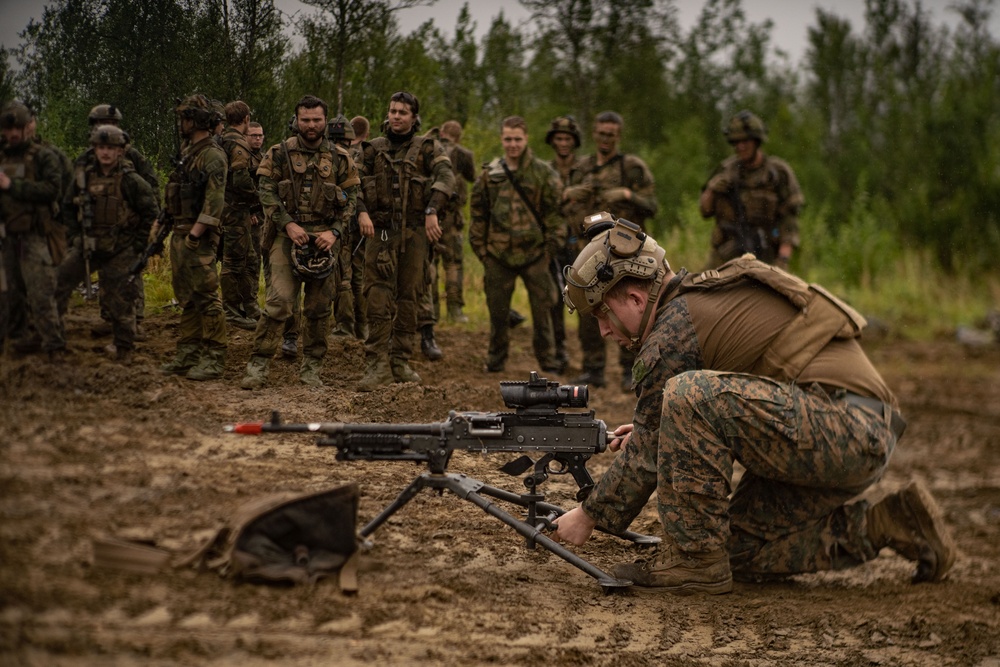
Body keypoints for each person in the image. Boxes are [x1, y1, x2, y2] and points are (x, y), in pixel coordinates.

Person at [552, 212, 955, 594]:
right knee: (736, 549)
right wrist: (660, 429)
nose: (604, 330)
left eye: (603, 313)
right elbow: (682, 422)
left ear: (637, 299)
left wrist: (588, 516)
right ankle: (891, 524)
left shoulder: (672, 332)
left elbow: (651, 448)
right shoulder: (690, 307)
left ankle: (694, 561)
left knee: (688, 396)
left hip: (848, 429)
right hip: (851, 433)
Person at [240, 95, 359, 389]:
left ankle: (312, 369)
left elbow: (352, 200)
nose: (311, 125)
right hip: (286, 235)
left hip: (324, 240)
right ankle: (258, 365)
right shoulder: (278, 153)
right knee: (279, 302)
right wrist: (288, 224)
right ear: (297, 121)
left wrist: (335, 232)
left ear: (325, 122)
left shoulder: (341, 158)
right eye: (305, 120)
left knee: (319, 309)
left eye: (317, 120)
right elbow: (265, 193)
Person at [355, 91, 454, 391]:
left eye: (403, 112)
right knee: (378, 297)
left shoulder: (427, 148)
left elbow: (446, 178)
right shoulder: (372, 149)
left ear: (414, 117)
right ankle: (376, 364)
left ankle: (400, 361)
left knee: (409, 298)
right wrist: (361, 213)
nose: (396, 116)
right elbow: (353, 182)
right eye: (393, 110)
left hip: (413, 233)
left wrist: (432, 210)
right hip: (382, 231)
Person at [564, 111, 658, 391]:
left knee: (627, 310)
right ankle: (593, 369)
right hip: (587, 250)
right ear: (594, 133)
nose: (605, 139)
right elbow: (563, 205)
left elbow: (652, 205)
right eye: (601, 133)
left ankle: (632, 371)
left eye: (611, 134)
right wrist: (571, 195)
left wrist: (628, 195)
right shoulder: (582, 167)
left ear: (618, 135)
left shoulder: (632, 167)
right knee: (589, 308)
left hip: (625, 255)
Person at [469, 116, 566, 374]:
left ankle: (548, 361)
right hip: (498, 255)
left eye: (518, 139)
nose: (513, 144)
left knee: (543, 311)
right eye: (508, 139)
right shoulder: (489, 175)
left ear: (526, 139)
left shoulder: (543, 173)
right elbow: (478, 215)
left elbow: (555, 214)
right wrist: (482, 252)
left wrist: (549, 250)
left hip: (535, 254)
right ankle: (496, 361)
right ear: (502, 139)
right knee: (498, 314)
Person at [56, 124, 158, 364]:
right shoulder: (84, 177)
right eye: (101, 147)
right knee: (59, 283)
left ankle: (124, 349)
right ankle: (53, 340)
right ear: (94, 148)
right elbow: (67, 208)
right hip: (88, 245)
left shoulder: (131, 180)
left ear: (120, 151)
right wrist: (73, 237)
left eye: (110, 148)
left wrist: (137, 245)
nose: (105, 153)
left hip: (120, 249)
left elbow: (150, 210)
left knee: (121, 299)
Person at [159, 94, 229, 381]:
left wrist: (194, 237)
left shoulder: (212, 155)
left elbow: (215, 202)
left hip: (195, 237)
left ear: (198, 120)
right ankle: (188, 352)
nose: (182, 123)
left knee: (207, 299)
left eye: (186, 118)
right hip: (180, 232)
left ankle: (214, 357)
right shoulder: (189, 151)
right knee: (186, 298)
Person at [75, 104, 158, 342]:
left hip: (129, 227)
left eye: (110, 124)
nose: (105, 128)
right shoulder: (88, 157)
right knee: (105, 272)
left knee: (132, 273)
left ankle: (136, 319)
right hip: (101, 226)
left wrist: (150, 221)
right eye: (99, 124)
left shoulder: (131, 154)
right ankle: (108, 316)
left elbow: (151, 185)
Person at [0, 100, 67, 359]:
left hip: (35, 236)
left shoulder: (43, 156)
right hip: (7, 237)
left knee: (41, 292)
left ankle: (54, 345)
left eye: (17, 128)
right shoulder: (3, 155)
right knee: (10, 293)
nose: (13, 135)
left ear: (28, 127)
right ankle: (17, 340)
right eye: (8, 130)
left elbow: (53, 189)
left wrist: (12, 186)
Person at [700, 110, 804, 270]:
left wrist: (782, 260)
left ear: (757, 141)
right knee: (700, 289)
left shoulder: (777, 173)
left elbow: (789, 221)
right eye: (736, 142)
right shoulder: (725, 170)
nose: (740, 147)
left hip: (765, 253)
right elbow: (705, 211)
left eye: (745, 141)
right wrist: (712, 189)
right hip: (725, 254)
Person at [420, 120, 476, 334]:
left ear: (442, 132)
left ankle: (432, 310)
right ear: (459, 136)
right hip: (452, 217)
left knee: (430, 262)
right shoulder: (463, 153)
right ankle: (455, 310)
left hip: (429, 214)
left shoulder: (426, 147)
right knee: (453, 264)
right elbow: (471, 177)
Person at [545, 115, 585, 375]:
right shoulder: (545, 170)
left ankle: (590, 358)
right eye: (558, 138)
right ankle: (559, 351)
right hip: (554, 243)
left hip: (582, 243)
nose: (563, 143)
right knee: (554, 300)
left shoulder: (586, 170)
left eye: (568, 139)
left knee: (585, 299)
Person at [218, 100, 260, 331]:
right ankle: (232, 311)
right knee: (234, 261)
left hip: (234, 210)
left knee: (249, 259)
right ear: (246, 119)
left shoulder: (223, 140)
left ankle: (249, 306)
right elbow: (241, 180)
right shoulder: (237, 144)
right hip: (234, 210)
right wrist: (259, 198)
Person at [345, 115, 375, 341]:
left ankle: (344, 323)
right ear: (367, 133)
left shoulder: (339, 152)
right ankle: (362, 324)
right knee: (360, 274)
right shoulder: (369, 152)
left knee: (342, 275)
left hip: (341, 220)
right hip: (363, 218)